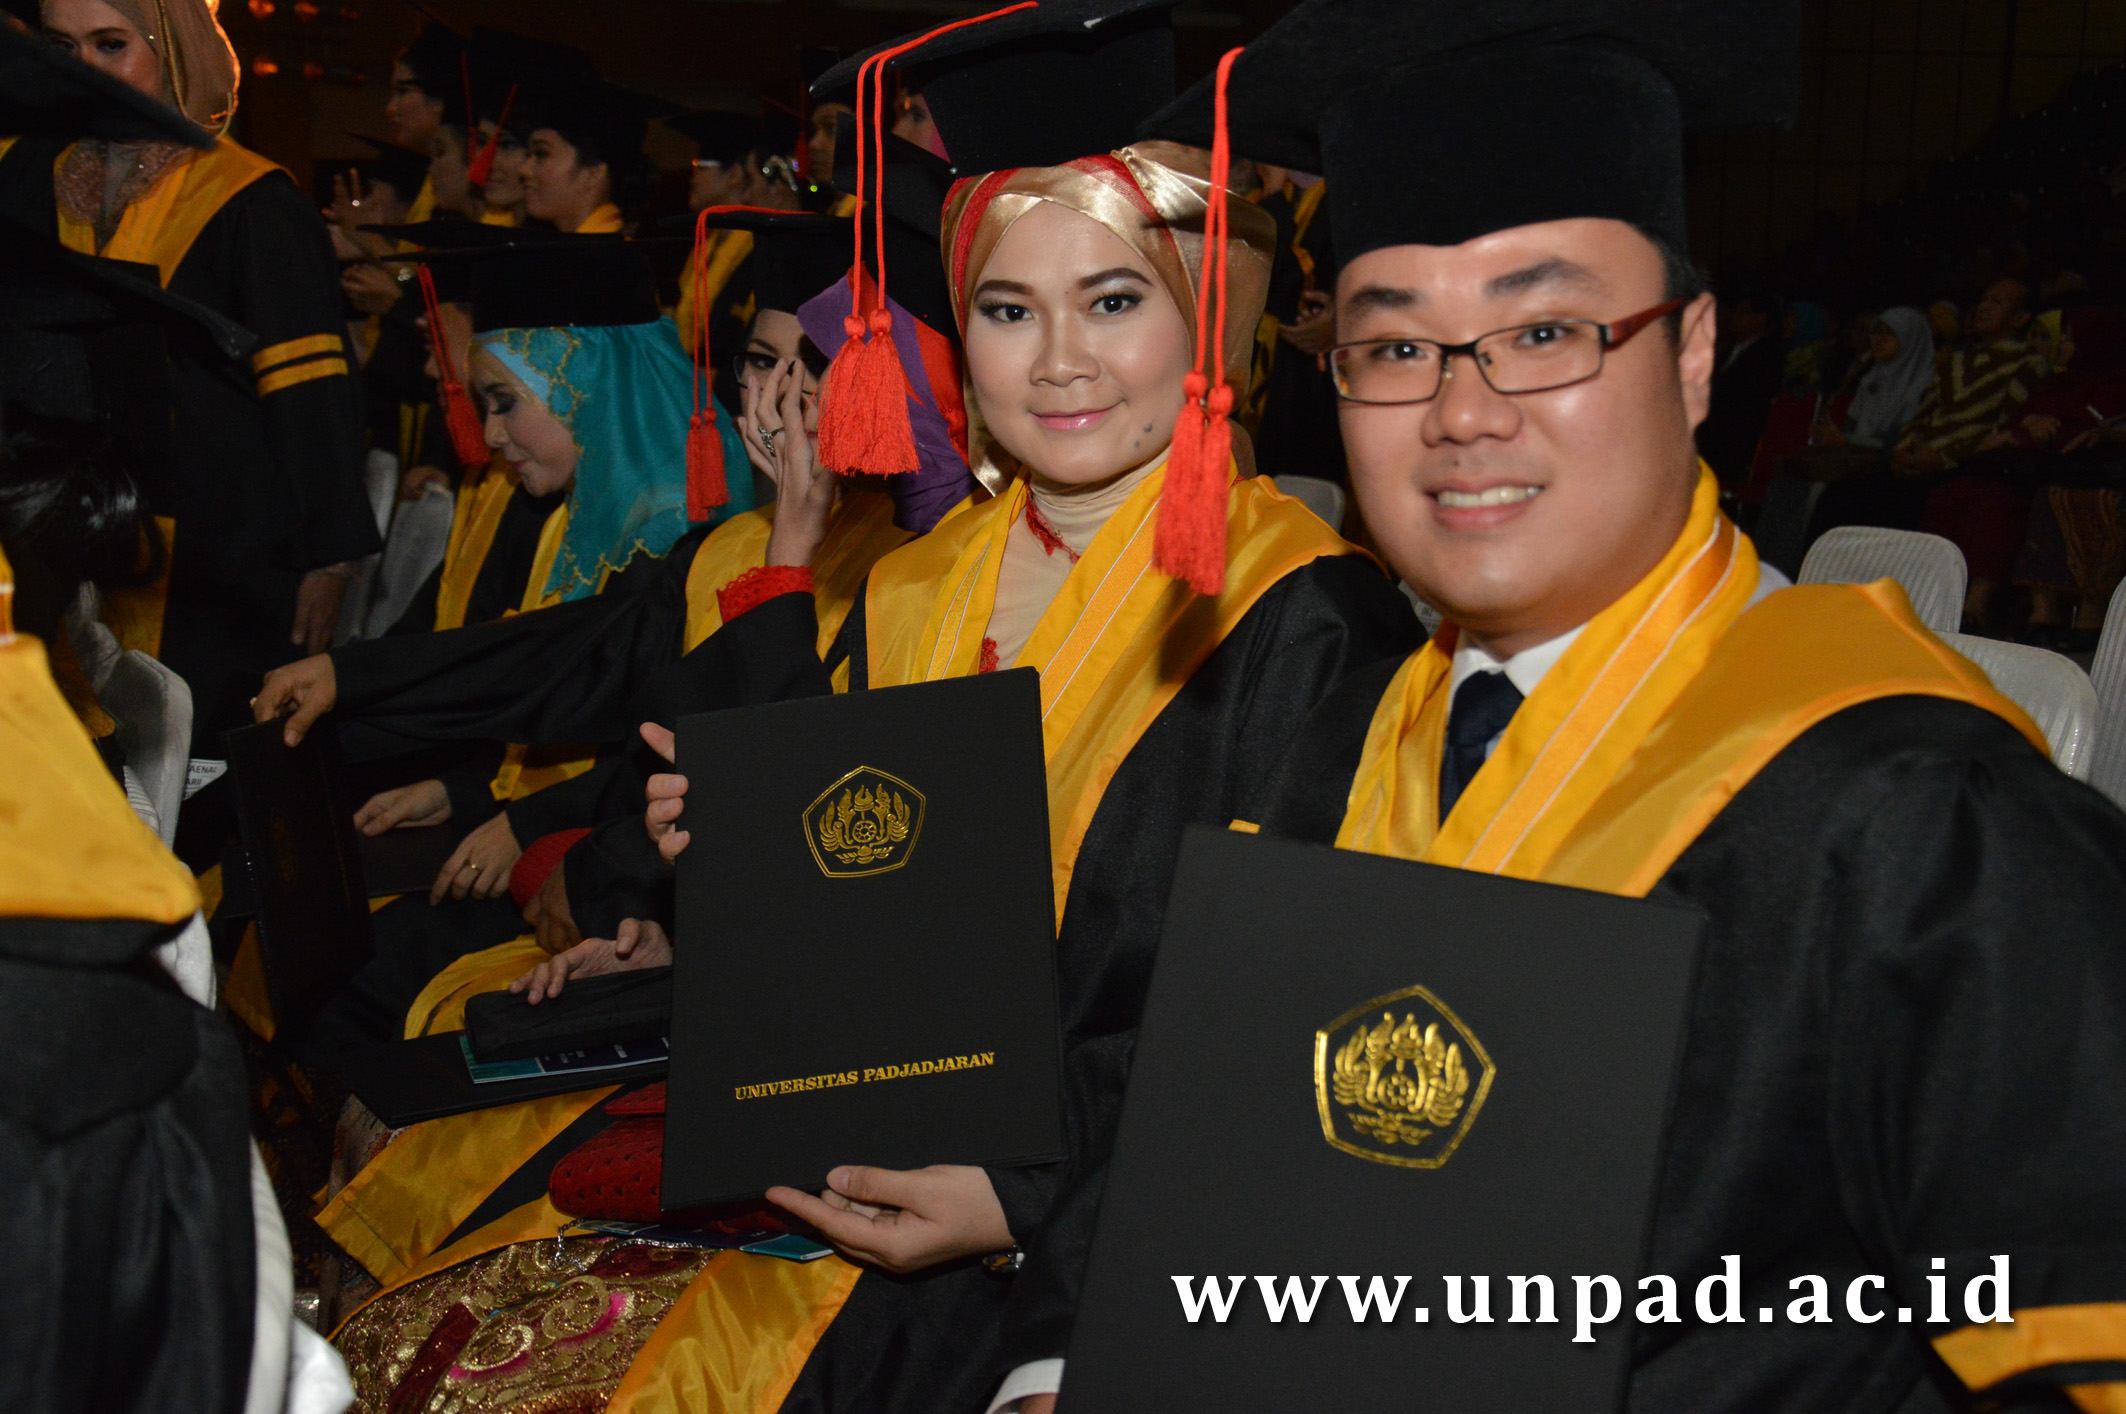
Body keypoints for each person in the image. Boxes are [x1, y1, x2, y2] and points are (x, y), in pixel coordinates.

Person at [1082, 8, 2126, 1413]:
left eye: (1543, 331)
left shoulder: (1920, 824)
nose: (1460, 413)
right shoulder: (1343, 738)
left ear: (1692, 355)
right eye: (1393, 347)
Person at [274, 236, 751, 1064]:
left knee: (362, 971)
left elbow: (574, 679)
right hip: (575, 826)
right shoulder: (596, 507)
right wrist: (458, 785)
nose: (489, 433)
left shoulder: (683, 531)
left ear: (581, 382)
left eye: (504, 402)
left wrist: (518, 816)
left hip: (632, 869)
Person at [2, 0, 380, 779]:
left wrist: (330, 558)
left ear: (173, 50)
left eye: (111, 45)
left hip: (219, 548)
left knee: (196, 766)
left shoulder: (251, 200)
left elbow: (309, 387)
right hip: (53, 535)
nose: (84, 71)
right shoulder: (25, 174)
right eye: (63, 47)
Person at [517, 74, 648, 235]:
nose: (523, 169)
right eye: (528, 154)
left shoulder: (605, 250)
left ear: (593, 173)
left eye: (541, 154)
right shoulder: (578, 245)